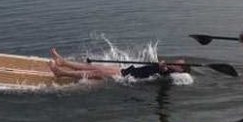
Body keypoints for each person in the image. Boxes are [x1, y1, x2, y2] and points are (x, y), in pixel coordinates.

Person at [48, 48, 188, 80]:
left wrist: (162, 66)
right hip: (128, 70)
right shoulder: (166, 68)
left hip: (127, 77)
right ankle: (63, 61)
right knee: (94, 66)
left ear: (180, 70)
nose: (176, 61)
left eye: (178, 63)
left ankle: (61, 73)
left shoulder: (168, 73)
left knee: (94, 73)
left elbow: (163, 71)